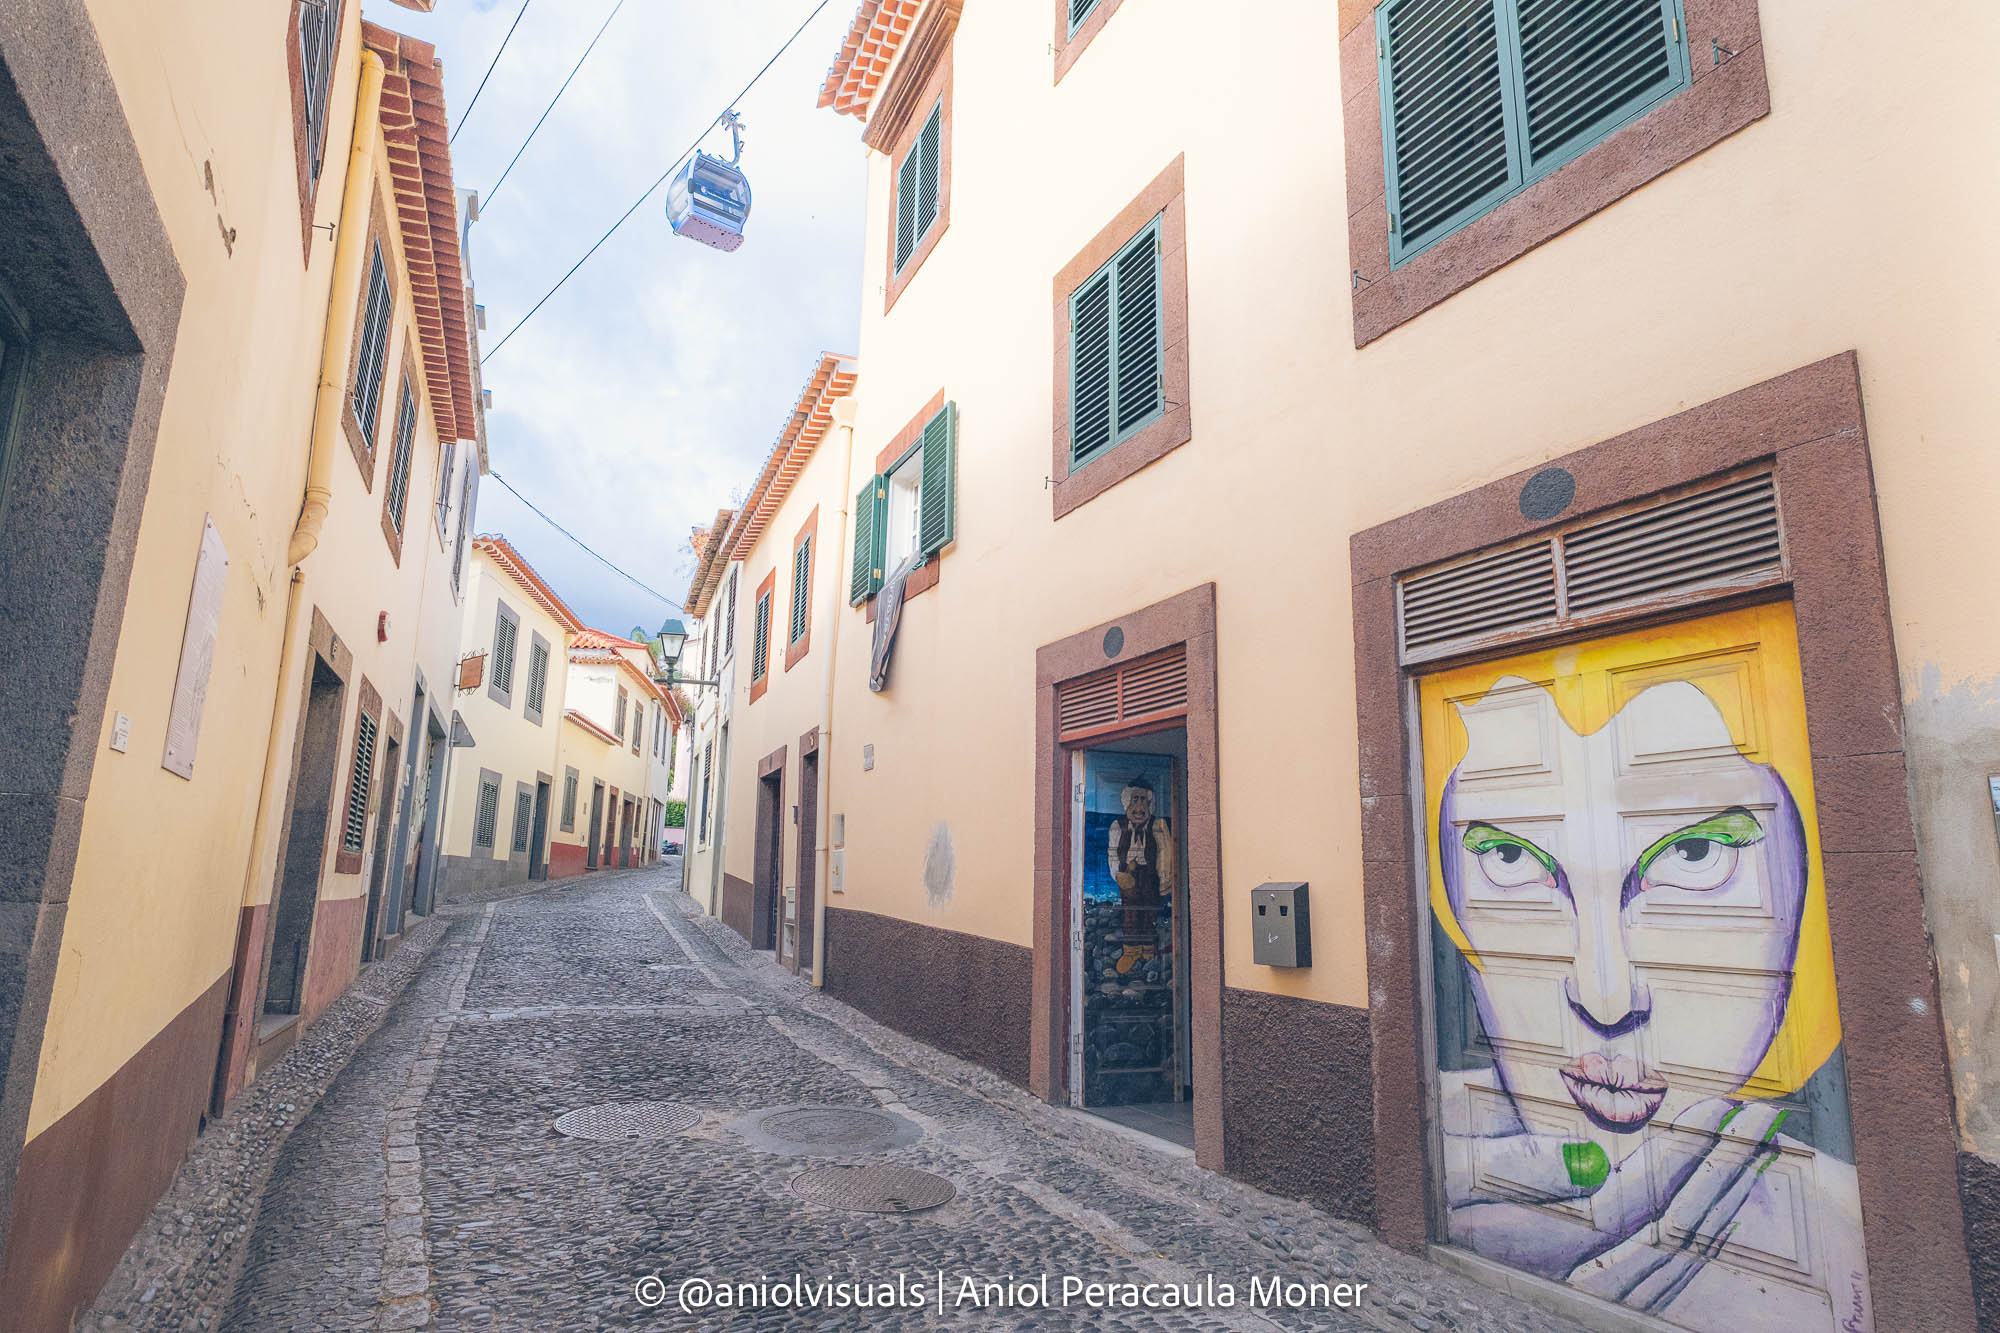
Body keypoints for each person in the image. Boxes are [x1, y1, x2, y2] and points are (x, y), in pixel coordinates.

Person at [1433, 676, 1870, 1332]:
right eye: (1509, 855)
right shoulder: (1439, 1115)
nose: (1605, 999)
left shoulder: (1845, 1239)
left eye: (1696, 853)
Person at [1107, 776, 1174, 976]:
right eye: (1135, 799)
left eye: (1143, 800)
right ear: (1127, 802)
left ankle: (1148, 950)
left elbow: (1165, 853)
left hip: (1150, 876)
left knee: (1150, 912)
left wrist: (1165, 878)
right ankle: (1131, 951)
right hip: (1128, 877)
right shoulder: (1117, 825)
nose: (1139, 806)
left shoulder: (1158, 825)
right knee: (1130, 913)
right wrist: (1118, 875)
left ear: (1150, 803)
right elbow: (1112, 853)